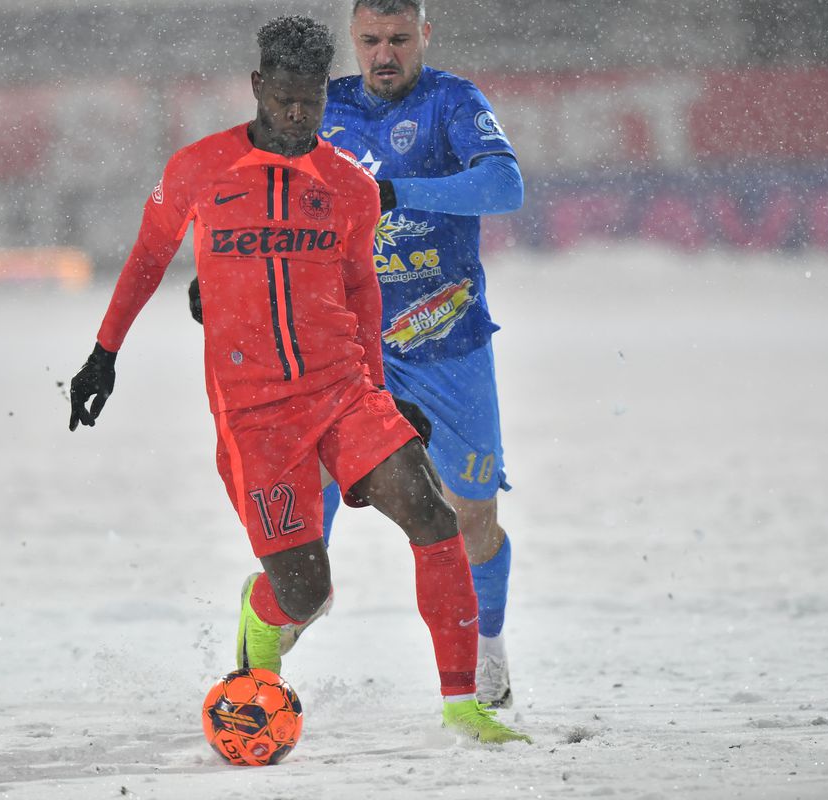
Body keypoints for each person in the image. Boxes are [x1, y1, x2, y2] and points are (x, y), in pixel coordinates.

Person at [68, 15, 528, 744]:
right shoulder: (217, 160)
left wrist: (382, 386)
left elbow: (386, 271)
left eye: (309, 100)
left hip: (392, 367)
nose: (297, 114)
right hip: (280, 394)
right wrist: (119, 346)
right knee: (306, 582)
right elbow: (170, 250)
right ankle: (265, 639)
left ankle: (473, 690)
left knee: (450, 517)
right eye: (284, 98)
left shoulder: (394, 149)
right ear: (260, 87)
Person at [190, 0, 526, 708]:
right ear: (352, 40)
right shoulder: (321, 109)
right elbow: (248, 191)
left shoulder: (453, 103)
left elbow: (505, 185)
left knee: (469, 518)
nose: (385, 55)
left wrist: (397, 191)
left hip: (446, 343)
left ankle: (489, 657)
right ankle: (258, 670)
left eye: (400, 40)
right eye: (371, 40)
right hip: (340, 352)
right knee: (305, 538)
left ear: (424, 37)